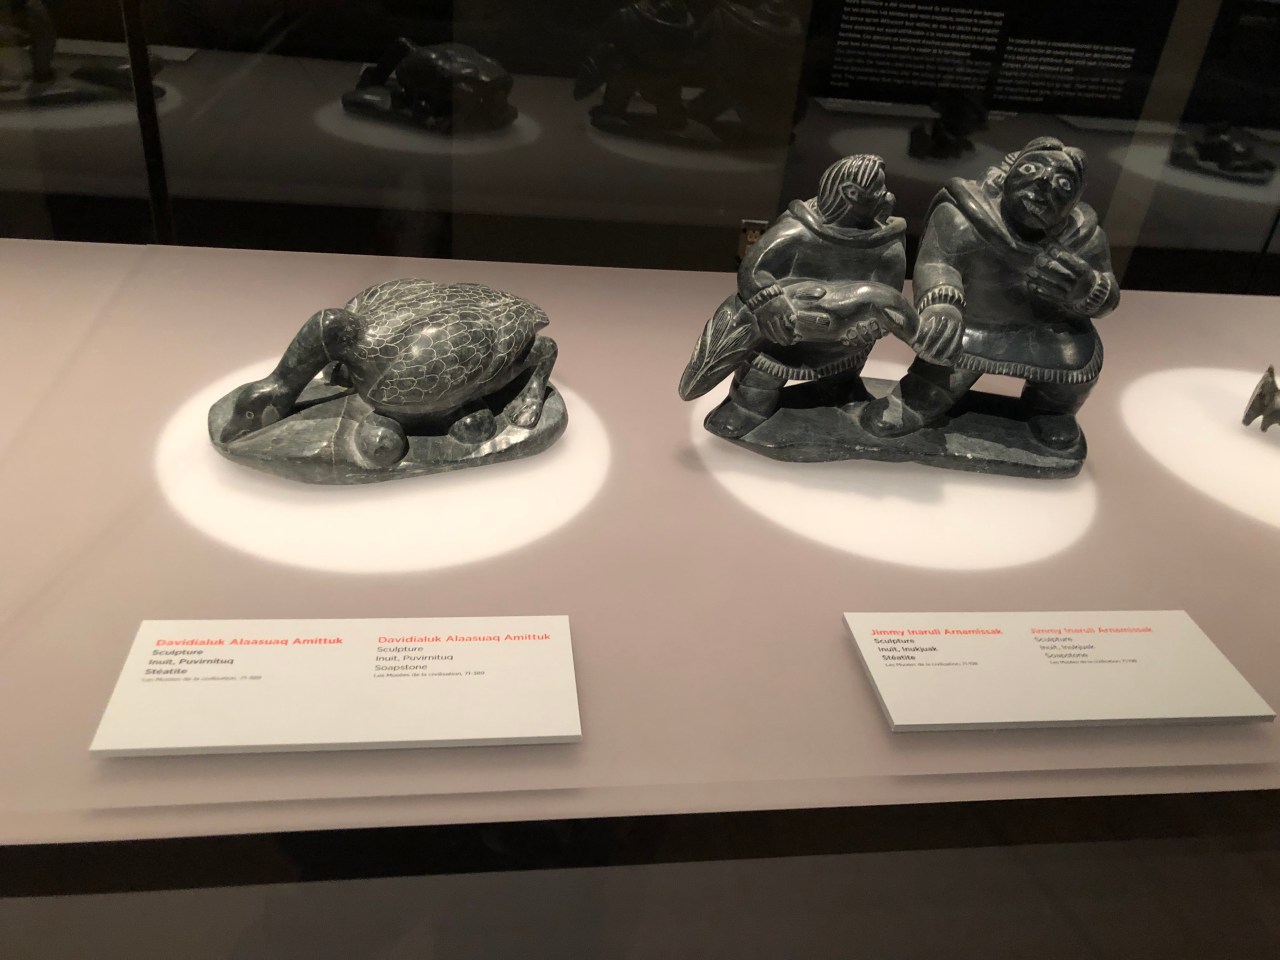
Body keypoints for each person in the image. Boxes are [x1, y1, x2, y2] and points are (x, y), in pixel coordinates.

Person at [862, 136, 1119, 449]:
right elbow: (938, 262)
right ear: (1006, 175)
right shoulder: (963, 215)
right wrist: (943, 302)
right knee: (941, 359)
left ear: (1073, 203)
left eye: (1063, 185)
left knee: (1073, 367)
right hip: (972, 325)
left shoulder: (1085, 239)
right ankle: (919, 398)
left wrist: (1090, 289)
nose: (1043, 183)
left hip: (1048, 331)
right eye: (1031, 168)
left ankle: (1051, 411)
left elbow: (1108, 296)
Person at [705, 153, 906, 438]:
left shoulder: (886, 243)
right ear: (850, 192)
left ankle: (842, 390)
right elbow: (753, 270)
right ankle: (745, 406)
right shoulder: (798, 231)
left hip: (843, 339)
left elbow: (889, 297)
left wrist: (872, 327)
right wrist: (770, 302)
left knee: (844, 372)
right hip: (785, 333)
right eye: (877, 190)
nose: (887, 196)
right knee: (761, 378)